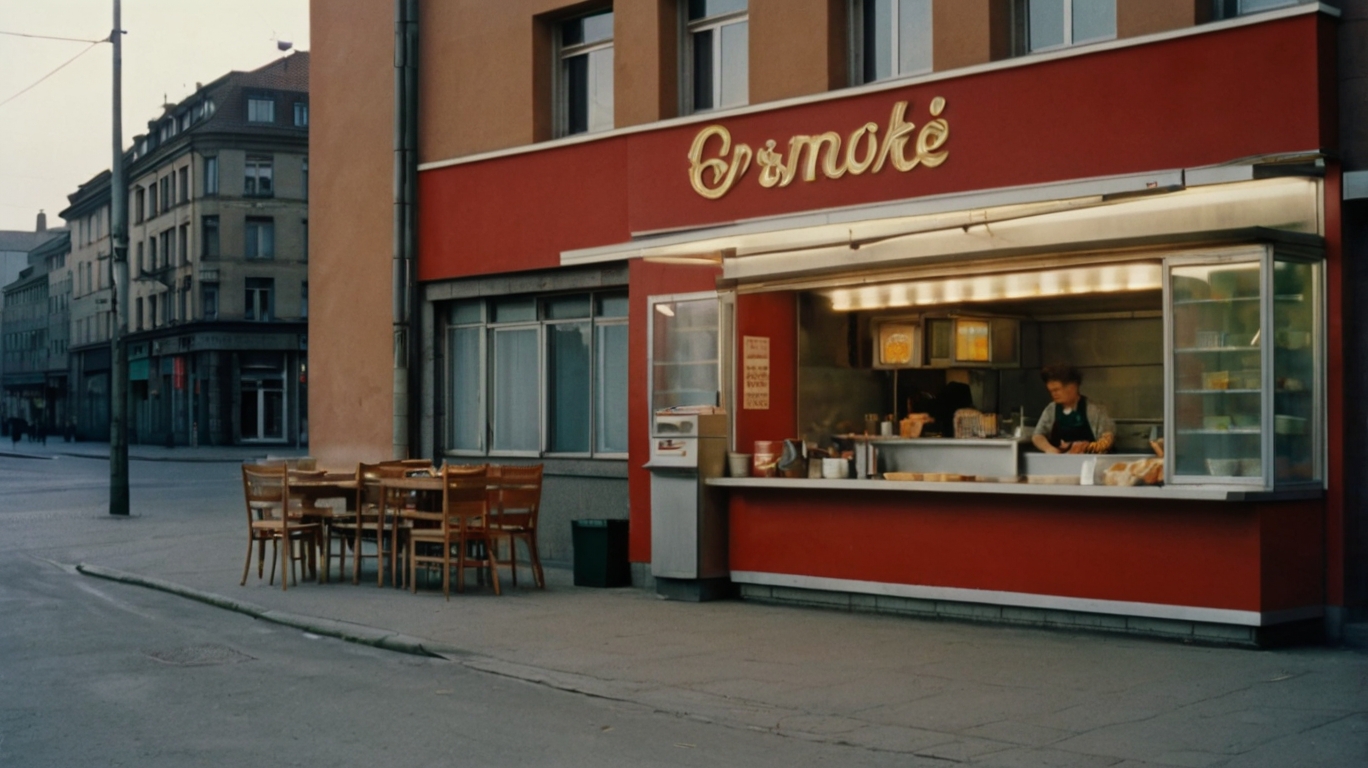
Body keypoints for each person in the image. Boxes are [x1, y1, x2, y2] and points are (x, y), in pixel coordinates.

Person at [1031, 366, 1115, 454]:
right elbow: (1037, 435)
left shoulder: (1094, 410)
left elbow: (1107, 438)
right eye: (1051, 391)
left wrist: (1087, 446)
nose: (1053, 394)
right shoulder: (1051, 409)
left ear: (1072, 387)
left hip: (1089, 462)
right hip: (1060, 461)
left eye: (1057, 390)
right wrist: (1049, 449)